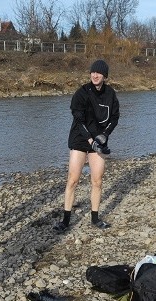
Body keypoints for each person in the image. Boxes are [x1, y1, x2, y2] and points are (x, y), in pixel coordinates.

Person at [53, 59, 120, 232]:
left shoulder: (111, 94)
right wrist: (91, 141)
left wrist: (104, 136)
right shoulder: (82, 93)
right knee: (73, 179)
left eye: (98, 73)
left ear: (104, 76)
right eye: (92, 72)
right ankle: (66, 220)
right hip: (80, 138)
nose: (95, 75)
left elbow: (114, 117)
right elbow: (78, 118)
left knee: (97, 181)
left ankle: (95, 218)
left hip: (99, 140)